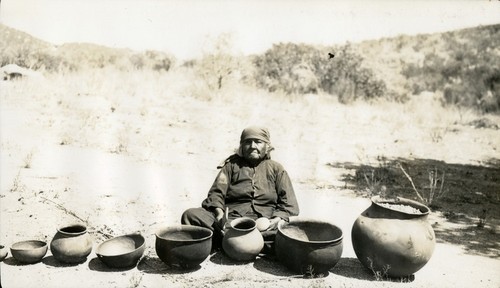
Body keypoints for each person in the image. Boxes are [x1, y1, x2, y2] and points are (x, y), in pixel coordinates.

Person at [181, 126, 300, 253]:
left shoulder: (277, 169)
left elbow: (288, 204)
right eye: (248, 142)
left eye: (258, 142)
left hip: (264, 225)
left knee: (290, 232)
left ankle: (229, 243)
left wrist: (276, 220)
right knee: (191, 215)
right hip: (231, 222)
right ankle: (250, 245)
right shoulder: (231, 166)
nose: (253, 146)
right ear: (242, 146)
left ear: (267, 146)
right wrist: (220, 216)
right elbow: (216, 194)